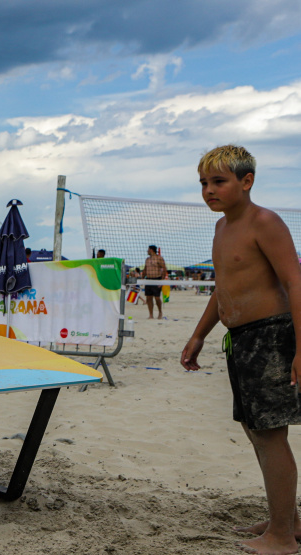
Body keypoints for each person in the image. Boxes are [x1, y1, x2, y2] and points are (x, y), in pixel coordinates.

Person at [181, 145, 301, 555]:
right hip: (241, 340)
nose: (208, 190)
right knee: (256, 431)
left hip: (272, 337)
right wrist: (199, 335)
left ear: (246, 181)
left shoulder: (264, 222)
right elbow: (224, 289)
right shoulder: (220, 229)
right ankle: (289, 520)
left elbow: (295, 282)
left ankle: (283, 538)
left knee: (270, 435)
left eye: (219, 181)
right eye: (203, 183)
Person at [143, 245, 167, 319]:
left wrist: (162, 280)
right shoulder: (147, 259)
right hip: (148, 279)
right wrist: (141, 279)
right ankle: (151, 314)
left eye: (148, 249)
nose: (147, 251)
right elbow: (145, 269)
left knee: (157, 298)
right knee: (149, 298)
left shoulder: (159, 258)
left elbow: (164, 268)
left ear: (151, 250)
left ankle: (160, 312)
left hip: (157, 279)